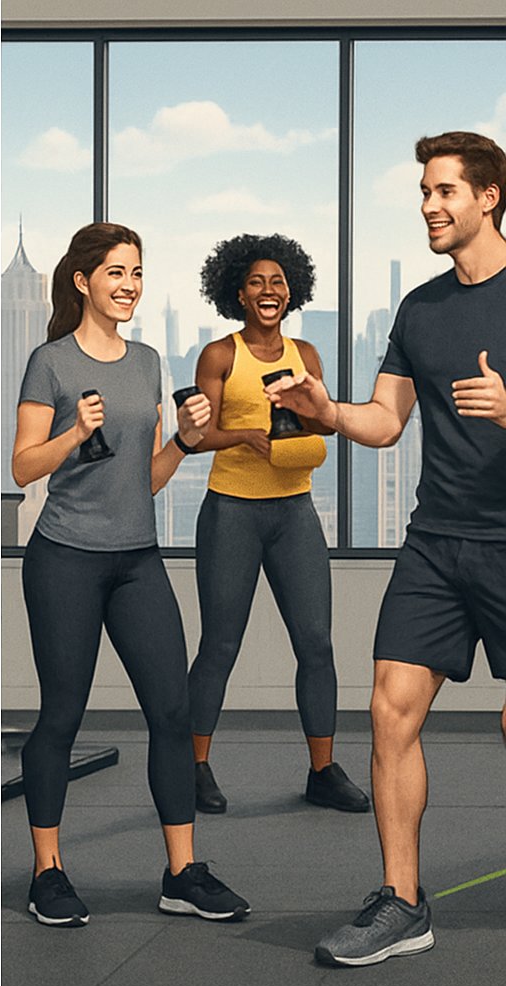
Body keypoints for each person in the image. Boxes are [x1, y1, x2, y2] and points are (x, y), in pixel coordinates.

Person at [265, 131, 506, 967]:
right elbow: (386, 418)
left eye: (445, 192)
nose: (430, 207)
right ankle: (403, 901)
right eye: (424, 194)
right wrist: (326, 409)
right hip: (438, 541)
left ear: (489, 196)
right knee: (389, 710)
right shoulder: (423, 310)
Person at [12, 222, 249, 928]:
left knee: (172, 714)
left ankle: (182, 872)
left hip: (136, 558)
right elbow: (25, 467)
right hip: (65, 559)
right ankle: (47, 873)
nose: (130, 285)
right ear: (83, 280)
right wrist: (74, 433)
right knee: (60, 716)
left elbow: (144, 481)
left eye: (137, 273)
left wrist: (184, 439)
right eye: (116, 272)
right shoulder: (48, 362)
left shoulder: (147, 362)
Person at [187, 234, 369, 816]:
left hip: (295, 512)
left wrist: (309, 420)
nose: (269, 291)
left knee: (316, 643)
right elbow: (200, 437)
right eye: (257, 282)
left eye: (278, 282)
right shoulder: (220, 355)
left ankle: (322, 769)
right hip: (232, 510)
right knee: (219, 645)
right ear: (237, 292)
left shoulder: (306, 355)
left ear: (292, 292)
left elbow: (329, 424)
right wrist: (245, 435)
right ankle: (193, 767)